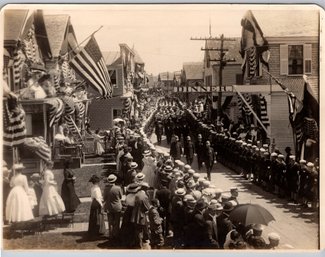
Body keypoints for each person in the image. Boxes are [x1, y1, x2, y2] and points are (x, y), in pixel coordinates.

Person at [103, 174, 123, 240]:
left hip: (109, 207)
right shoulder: (118, 188)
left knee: (110, 222)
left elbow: (104, 198)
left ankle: (111, 235)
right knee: (117, 222)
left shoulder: (106, 189)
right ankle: (116, 235)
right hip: (117, 207)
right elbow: (120, 197)